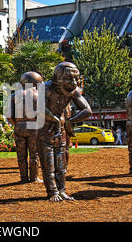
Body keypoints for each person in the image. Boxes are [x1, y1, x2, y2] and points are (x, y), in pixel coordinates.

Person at [38, 62, 92, 202]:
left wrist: (70, 121)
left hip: (60, 130)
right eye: (68, 78)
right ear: (56, 78)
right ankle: (52, 191)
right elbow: (39, 108)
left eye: (76, 78)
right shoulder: (46, 87)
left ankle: (62, 190)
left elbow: (87, 110)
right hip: (44, 130)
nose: (73, 82)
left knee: (61, 164)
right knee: (48, 164)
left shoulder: (74, 90)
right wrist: (56, 120)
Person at [8, 71, 43, 183]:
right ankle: (34, 178)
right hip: (35, 127)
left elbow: (8, 115)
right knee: (34, 154)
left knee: (21, 155)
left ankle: (23, 178)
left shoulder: (14, 96)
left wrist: (16, 124)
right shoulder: (40, 95)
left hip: (19, 127)